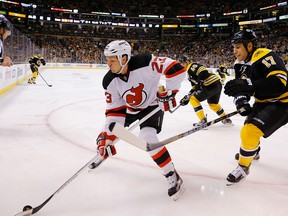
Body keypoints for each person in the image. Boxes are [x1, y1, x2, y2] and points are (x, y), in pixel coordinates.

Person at [97, 40, 186, 200]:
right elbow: (115, 111)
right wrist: (109, 137)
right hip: (129, 110)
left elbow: (176, 68)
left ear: (124, 58)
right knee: (109, 130)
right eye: (107, 59)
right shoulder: (109, 81)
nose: (108, 64)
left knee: (147, 139)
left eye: (112, 59)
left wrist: (170, 93)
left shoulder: (145, 62)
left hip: (152, 107)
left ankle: (172, 174)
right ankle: (104, 149)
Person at [224, 29, 288, 184]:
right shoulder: (239, 64)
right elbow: (241, 89)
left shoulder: (266, 55)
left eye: (238, 47)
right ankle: (254, 151)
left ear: (250, 46)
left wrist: (249, 85)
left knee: (249, 132)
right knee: (248, 131)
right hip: (263, 102)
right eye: (233, 47)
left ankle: (243, 167)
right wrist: (241, 102)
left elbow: (280, 83)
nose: (235, 51)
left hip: (283, 103)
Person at [179, 56, 233, 126]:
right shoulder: (189, 74)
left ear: (186, 62)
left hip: (210, 84)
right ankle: (225, 118)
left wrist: (199, 82)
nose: (181, 66)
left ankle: (203, 120)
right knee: (213, 104)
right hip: (216, 84)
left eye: (182, 63)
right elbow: (195, 88)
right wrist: (187, 97)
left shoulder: (191, 66)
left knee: (193, 99)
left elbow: (203, 71)